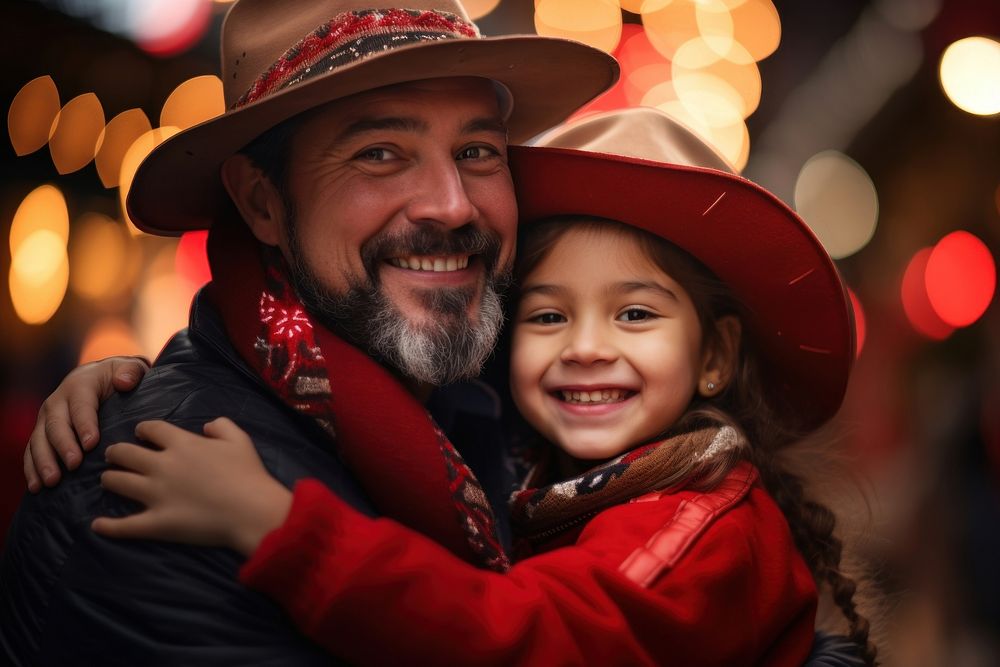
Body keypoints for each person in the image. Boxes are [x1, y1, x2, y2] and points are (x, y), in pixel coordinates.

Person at [20, 109, 878, 665]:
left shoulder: (699, 521)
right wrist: (127, 380)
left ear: (717, 358)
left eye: (636, 316)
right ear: (262, 204)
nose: (585, 349)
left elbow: (526, 638)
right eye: (546, 316)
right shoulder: (519, 449)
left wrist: (285, 529)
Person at [0, 0, 619, 663]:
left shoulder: (507, 408)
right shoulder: (152, 480)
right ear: (262, 203)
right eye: (380, 153)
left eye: (476, 151)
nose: (453, 203)